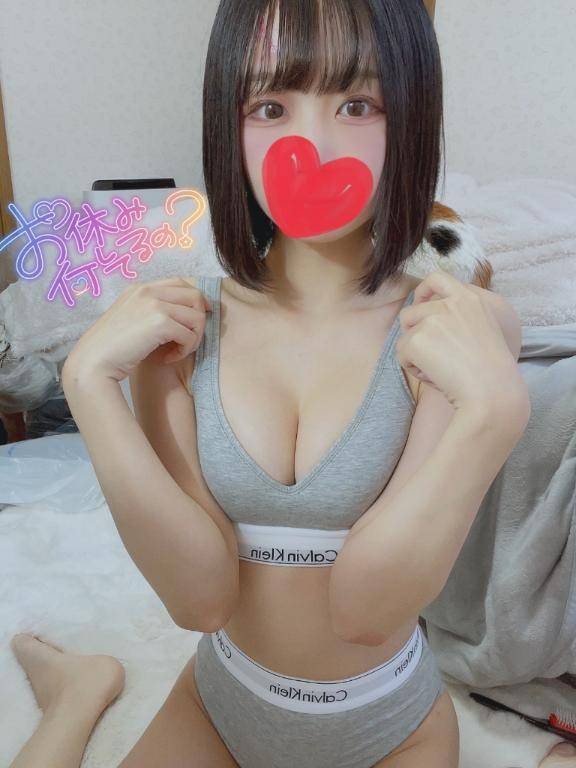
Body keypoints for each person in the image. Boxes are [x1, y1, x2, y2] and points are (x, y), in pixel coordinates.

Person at [8, 1, 538, 766]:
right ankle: (81, 690)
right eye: (270, 107)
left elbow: (367, 612)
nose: (310, 145)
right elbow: (199, 600)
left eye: (356, 104)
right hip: (221, 702)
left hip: (391, 729)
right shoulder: (182, 328)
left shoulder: (447, 328)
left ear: (412, 116)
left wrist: (494, 413)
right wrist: (86, 382)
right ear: (230, 126)